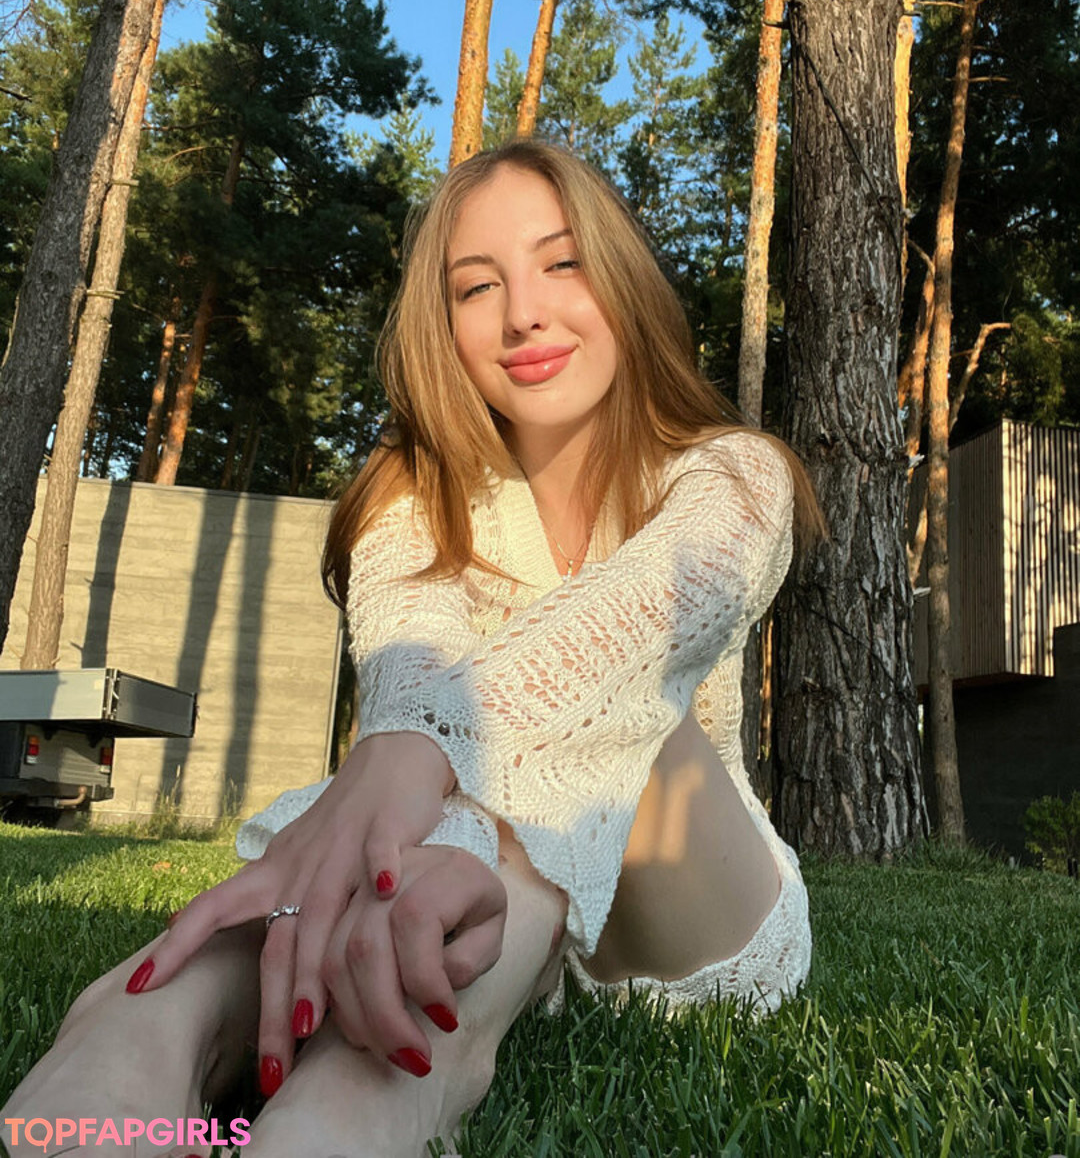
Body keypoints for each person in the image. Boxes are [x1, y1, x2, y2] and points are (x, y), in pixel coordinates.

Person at [4, 139, 827, 1157]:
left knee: (605, 713)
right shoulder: (412, 494)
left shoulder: (733, 473)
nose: (523, 312)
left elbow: (640, 618)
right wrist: (414, 762)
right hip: (491, 906)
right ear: (443, 326)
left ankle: (381, 1071)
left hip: (695, 908)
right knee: (436, 798)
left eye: (562, 263)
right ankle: (162, 1016)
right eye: (477, 286)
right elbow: (410, 667)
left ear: (623, 277)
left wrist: (418, 748)